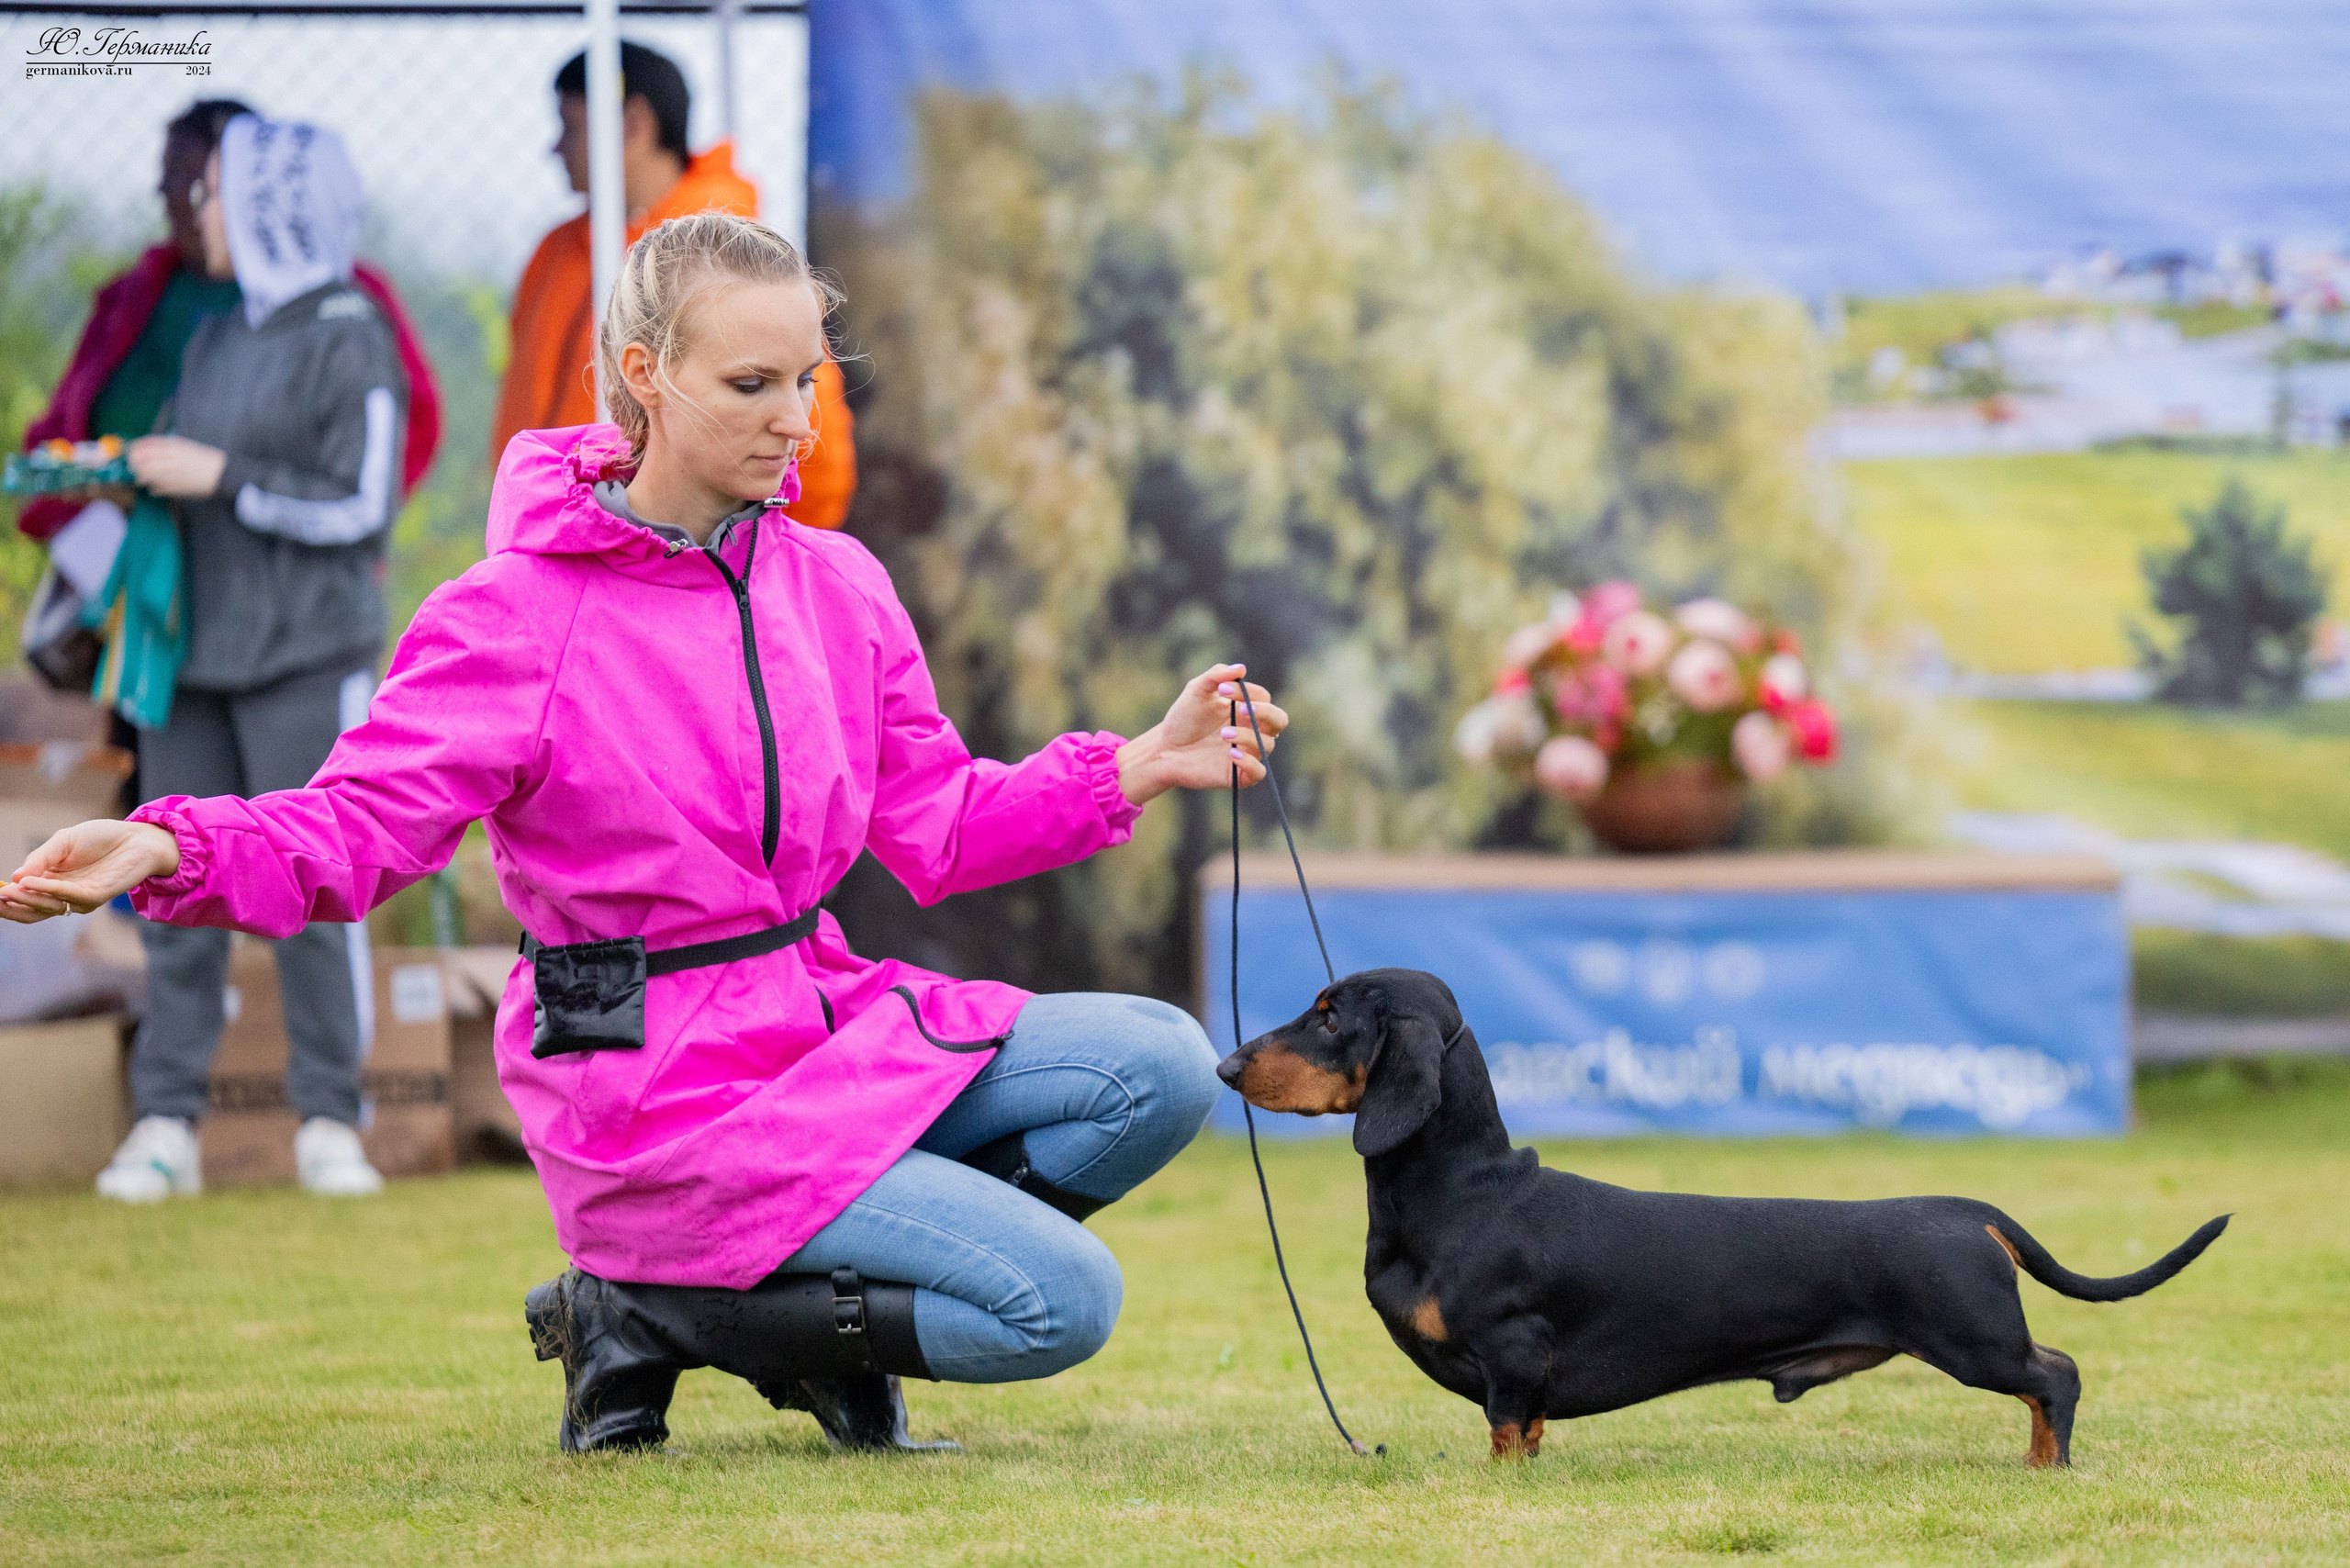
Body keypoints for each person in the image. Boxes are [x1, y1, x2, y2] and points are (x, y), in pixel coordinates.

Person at [2, 210, 1288, 1455]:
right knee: (1063, 1302)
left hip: (820, 1026)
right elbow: (360, 827)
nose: (795, 420)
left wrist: (1132, 766)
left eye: (808, 379)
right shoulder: (509, 617)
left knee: (1160, 1066)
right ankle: (646, 1306)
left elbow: (938, 824)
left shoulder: (838, 584)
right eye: (752, 382)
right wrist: (175, 844)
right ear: (645, 376)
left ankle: (799, 1307)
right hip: (650, 1094)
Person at [71, 116, 413, 1204]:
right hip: (191, 660)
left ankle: (329, 1118)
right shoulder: (218, 335)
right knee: (162, 882)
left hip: (304, 659)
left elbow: (360, 508)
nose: (196, 214)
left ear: (274, 206)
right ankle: (165, 1123)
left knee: (315, 888)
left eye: (217, 194)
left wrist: (222, 475)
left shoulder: (352, 334)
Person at [492, 40, 857, 530]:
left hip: (669, 560)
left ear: (632, 126)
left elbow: (817, 448)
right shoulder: (558, 254)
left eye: (572, 126)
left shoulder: (723, 269)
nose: (555, 148)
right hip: (555, 538)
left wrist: (766, 569)